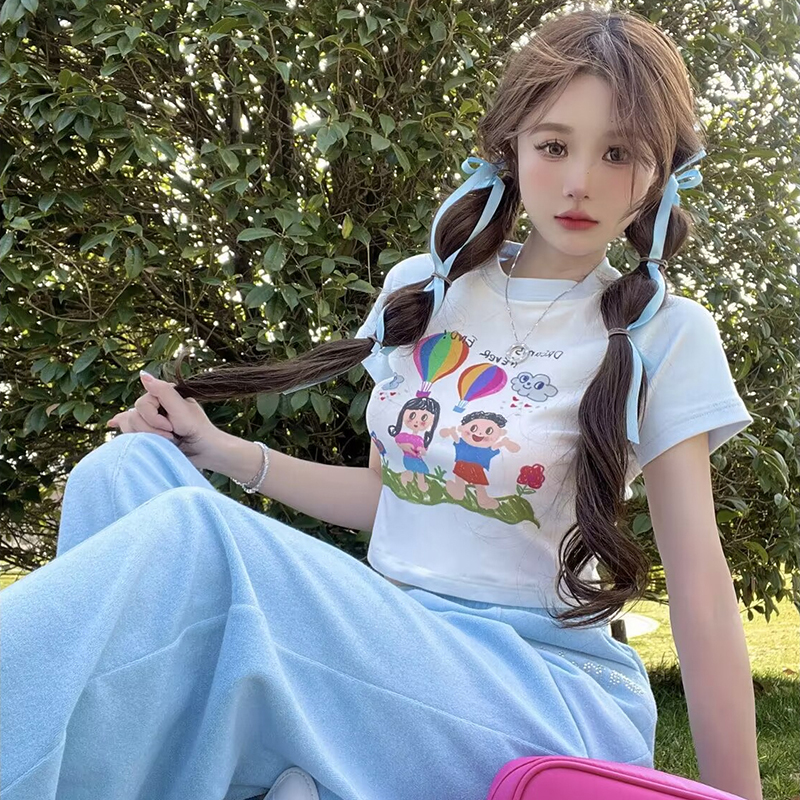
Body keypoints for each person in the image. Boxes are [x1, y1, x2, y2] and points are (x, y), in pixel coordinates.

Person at [0, 8, 763, 800]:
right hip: (391, 648)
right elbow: (387, 497)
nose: (580, 181)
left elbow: (701, 590)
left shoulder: (665, 333)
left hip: (540, 689)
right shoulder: (422, 289)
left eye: (618, 153)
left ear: (661, 173)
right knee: (121, 474)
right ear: (510, 147)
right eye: (553, 145)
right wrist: (219, 451)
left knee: (189, 540)